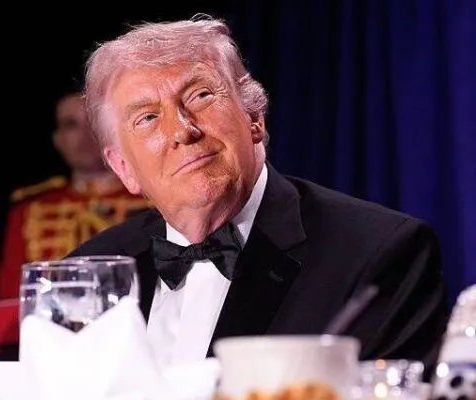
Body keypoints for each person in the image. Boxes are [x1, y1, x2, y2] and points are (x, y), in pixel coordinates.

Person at [68, 14, 449, 372]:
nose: (182, 130)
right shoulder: (89, 270)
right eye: (148, 118)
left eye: (200, 96)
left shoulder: (378, 254)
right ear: (123, 168)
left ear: (253, 117)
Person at [0, 89, 150, 300]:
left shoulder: (150, 198)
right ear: (58, 140)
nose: (84, 134)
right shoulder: (29, 208)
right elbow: (11, 295)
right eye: (71, 124)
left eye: (92, 122)